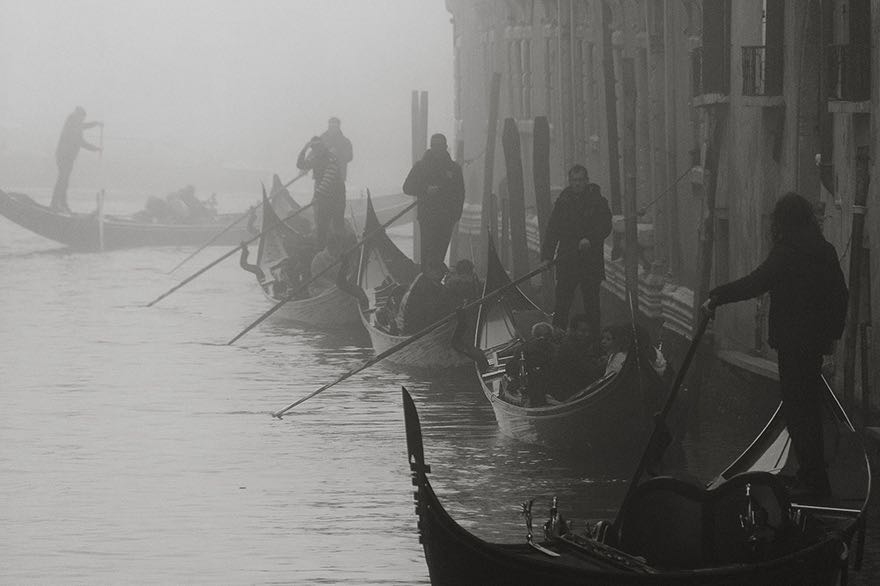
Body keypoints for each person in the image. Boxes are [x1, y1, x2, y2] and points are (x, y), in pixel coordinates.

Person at [704, 192, 848, 499]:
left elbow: (755, 283)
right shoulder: (825, 250)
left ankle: (813, 478)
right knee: (807, 408)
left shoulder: (786, 253)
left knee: (798, 411)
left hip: (792, 342)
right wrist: (831, 337)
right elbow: (840, 296)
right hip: (813, 343)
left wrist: (718, 296)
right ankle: (812, 475)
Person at [541, 164, 612, 334]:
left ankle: (594, 341)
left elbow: (605, 226)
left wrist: (591, 240)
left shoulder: (598, 202)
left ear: (587, 181)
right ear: (570, 182)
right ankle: (557, 337)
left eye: (580, 180)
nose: (577, 184)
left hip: (590, 262)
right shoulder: (563, 202)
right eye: (574, 180)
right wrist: (547, 257)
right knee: (562, 303)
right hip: (567, 260)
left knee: (592, 304)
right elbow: (553, 230)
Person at [402, 133, 465, 269]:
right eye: (434, 146)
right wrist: (425, 189)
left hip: (446, 219)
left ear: (445, 147)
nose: (437, 149)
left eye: (440, 146)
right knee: (428, 254)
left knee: (439, 254)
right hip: (428, 218)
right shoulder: (421, 167)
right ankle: (427, 280)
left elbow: (460, 193)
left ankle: (434, 281)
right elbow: (407, 187)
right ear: (430, 147)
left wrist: (455, 216)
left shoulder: (454, 169)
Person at [297, 136, 346, 250]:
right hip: (323, 197)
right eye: (313, 147)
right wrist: (304, 149)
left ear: (322, 146)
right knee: (322, 225)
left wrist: (316, 196)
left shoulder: (331, 158)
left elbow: (327, 179)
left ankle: (340, 251)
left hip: (337, 196)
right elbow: (300, 165)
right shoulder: (315, 159)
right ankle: (321, 251)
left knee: (338, 224)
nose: (316, 149)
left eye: (318, 146)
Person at [51, 106, 103, 212]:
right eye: (82, 118)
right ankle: (56, 203)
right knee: (62, 180)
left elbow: (83, 126)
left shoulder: (74, 123)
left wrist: (95, 123)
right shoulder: (73, 123)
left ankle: (61, 203)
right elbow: (81, 141)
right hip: (64, 157)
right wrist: (96, 148)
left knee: (64, 180)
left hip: (67, 157)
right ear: (79, 116)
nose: (83, 120)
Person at [551, 314, 605, 401]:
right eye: (583, 331)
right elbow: (589, 372)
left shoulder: (575, 346)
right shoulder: (569, 348)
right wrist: (608, 362)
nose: (586, 334)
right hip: (569, 397)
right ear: (572, 330)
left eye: (588, 331)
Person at [396, 259, 456, 335]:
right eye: (440, 272)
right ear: (431, 271)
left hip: (423, 328)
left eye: (443, 272)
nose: (442, 275)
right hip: (416, 330)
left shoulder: (432, 284)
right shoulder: (423, 286)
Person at [504, 321, 557, 407]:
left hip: (531, 390)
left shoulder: (522, 348)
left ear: (534, 334)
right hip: (551, 388)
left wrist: (513, 380)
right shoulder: (554, 348)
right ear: (550, 335)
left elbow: (510, 367)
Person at [320, 117, 353, 182]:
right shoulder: (321, 139)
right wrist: (305, 168)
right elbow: (314, 154)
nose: (333, 128)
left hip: (338, 177)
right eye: (331, 125)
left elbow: (349, 157)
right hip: (321, 176)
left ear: (338, 126)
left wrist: (337, 153)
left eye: (335, 126)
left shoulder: (345, 141)